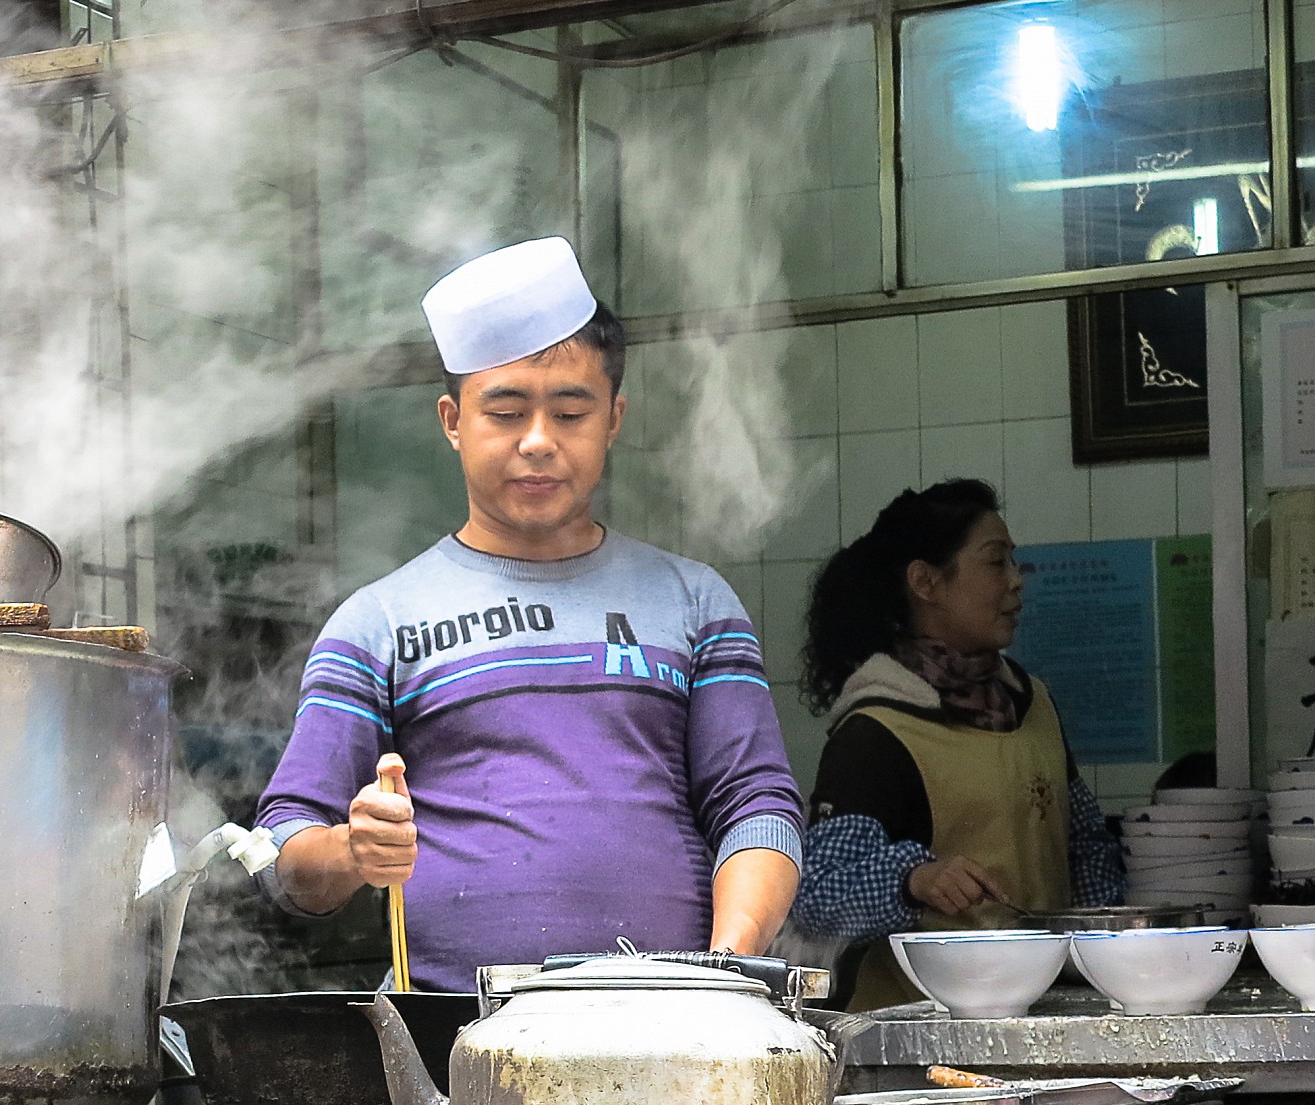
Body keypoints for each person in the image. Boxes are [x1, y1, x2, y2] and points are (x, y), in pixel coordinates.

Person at [253, 237, 805, 990]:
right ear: (452, 420)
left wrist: (723, 969)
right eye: (505, 411)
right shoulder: (377, 621)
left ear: (614, 418)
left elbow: (757, 804)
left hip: (672, 1026)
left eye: (570, 412)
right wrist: (354, 850)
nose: (538, 442)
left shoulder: (694, 603)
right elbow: (281, 851)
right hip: (453, 1044)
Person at [791, 479, 1126, 1008]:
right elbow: (819, 897)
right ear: (925, 581)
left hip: (1036, 1010)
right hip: (916, 1031)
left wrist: (1111, 947)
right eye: (996, 563)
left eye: (1014, 562)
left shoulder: (1033, 702)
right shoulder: (877, 730)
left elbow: (1083, 846)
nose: (1017, 582)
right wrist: (914, 879)